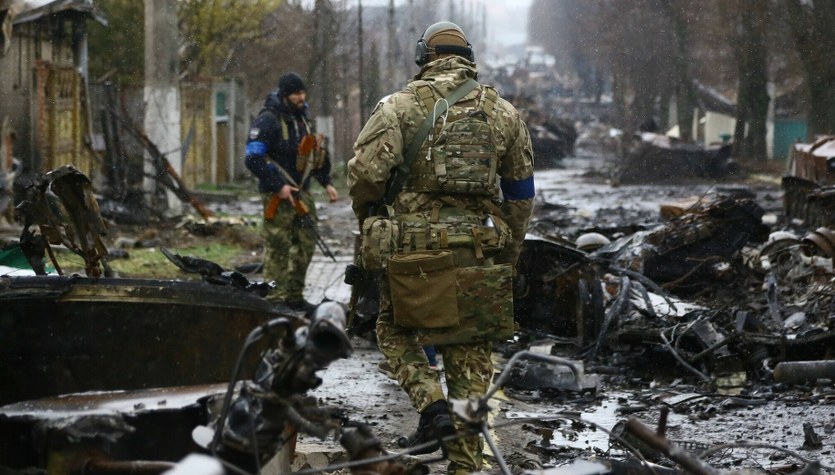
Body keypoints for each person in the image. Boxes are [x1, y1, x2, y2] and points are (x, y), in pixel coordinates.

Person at [348, 21, 534, 475]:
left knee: (395, 330)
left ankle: (431, 406)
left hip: (413, 253)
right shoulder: (505, 113)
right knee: (470, 362)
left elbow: (364, 176)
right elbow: (521, 194)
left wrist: (370, 217)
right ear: (469, 57)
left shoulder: (397, 107)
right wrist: (505, 259)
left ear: (422, 57)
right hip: (477, 249)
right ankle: (465, 464)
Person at [245, 72, 338, 312]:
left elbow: (310, 157)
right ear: (285, 95)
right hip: (277, 195)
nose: (301, 97)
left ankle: (294, 296)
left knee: (306, 244)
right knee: (278, 246)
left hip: (301, 193)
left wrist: (326, 182)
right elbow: (253, 157)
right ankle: (275, 299)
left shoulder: (302, 120)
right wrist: (278, 185)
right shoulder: (268, 120)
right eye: (296, 93)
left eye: (302, 92)